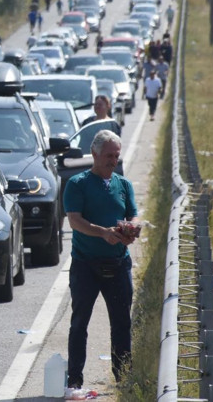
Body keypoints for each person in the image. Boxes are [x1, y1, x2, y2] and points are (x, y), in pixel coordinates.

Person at [63, 130, 140, 395]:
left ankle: (123, 379)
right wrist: (103, 232)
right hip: (86, 265)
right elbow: (74, 220)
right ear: (94, 154)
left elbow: (134, 215)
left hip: (118, 264)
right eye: (108, 155)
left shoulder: (123, 184)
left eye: (116, 156)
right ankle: (74, 380)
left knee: (121, 323)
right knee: (79, 322)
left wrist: (131, 229)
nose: (113, 161)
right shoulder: (78, 183)